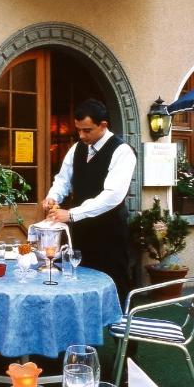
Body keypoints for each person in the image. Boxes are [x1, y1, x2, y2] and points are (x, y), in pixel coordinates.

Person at [41, 98, 136, 304]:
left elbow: (112, 196)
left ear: (103, 125)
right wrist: (53, 196)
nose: (81, 135)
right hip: (80, 233)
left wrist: (71, 214)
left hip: (109, 235)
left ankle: (121, 325)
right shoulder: (77, 148)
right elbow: (63, 179)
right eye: (79, 130)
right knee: (78, 284)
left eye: (87, 130)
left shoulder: (122, 151)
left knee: (113, 287)